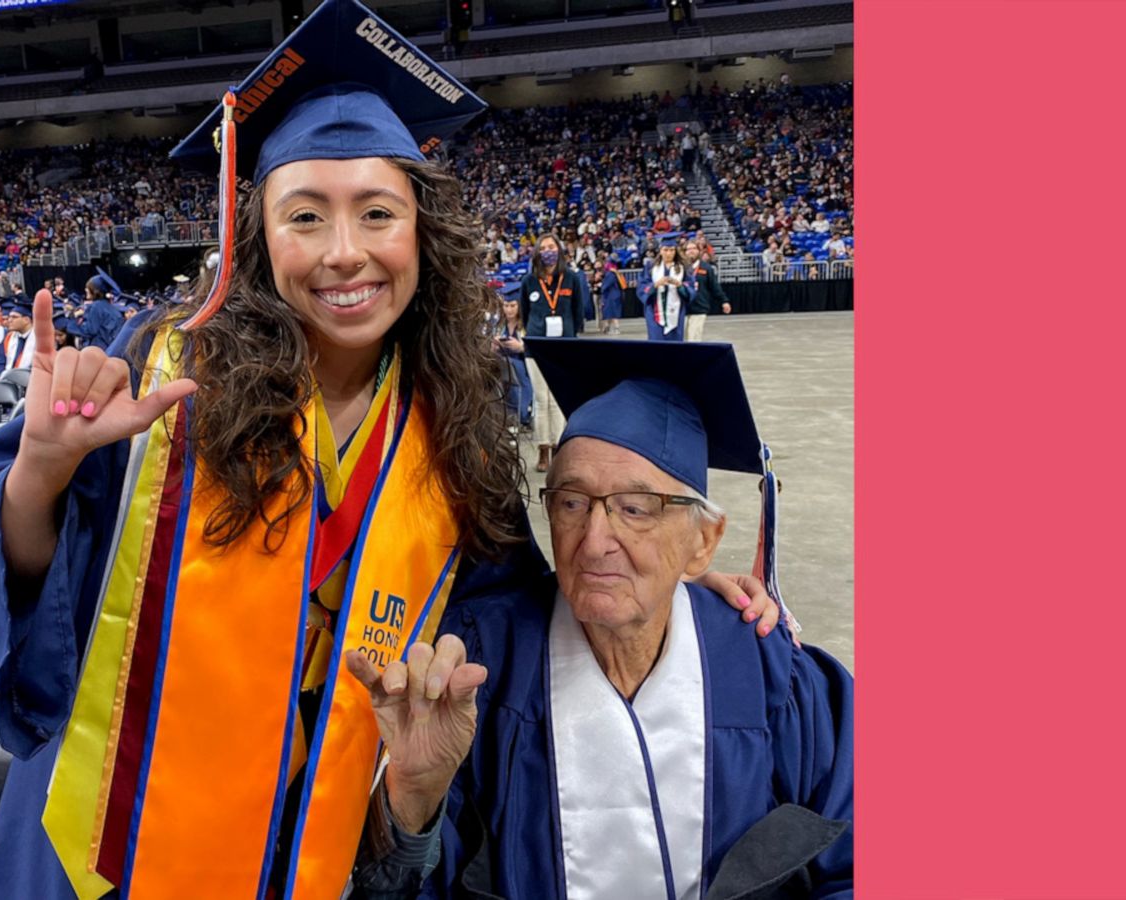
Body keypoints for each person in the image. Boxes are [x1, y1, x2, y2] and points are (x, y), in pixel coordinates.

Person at [0, 5, 777, 898]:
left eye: (377, 213)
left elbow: (514, 608)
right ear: (257, 238)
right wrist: (43, 466)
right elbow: (26, 586)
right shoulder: (158, 366)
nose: (345, 254)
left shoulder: (454, 419)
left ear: (421, 232)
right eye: (305, 216)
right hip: (103, 851)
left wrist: (654, 570)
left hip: (311, 848)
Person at [347, 339, 852, 899]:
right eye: (571, 502)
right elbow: (406, 889)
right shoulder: (479, 665)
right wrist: (412, 801)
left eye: (635, 509)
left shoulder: (767, 668)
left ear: (703, 542)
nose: (594, 541)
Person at [519, 233, 589, 472]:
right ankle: (543, 449)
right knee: (541, 399)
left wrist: (572, 338)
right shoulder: (529, 281)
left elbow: (578, 310)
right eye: (543, 247)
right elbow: (524, 312)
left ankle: (560, 447)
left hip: (564, 346)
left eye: (552, 247)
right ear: (537, 252)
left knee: (558, 399)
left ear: (559, 250)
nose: (548, 251)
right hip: (537, 346)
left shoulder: (570, 278)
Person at [492, 283, 532, 431]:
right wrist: (495, 346)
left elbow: (534, 347)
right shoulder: (498, 324)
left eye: (513, 305)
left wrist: (521, 347)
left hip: (523, 364)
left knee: (516, 367)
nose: (509, 310)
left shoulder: (527, 324)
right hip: (503, 364)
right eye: (506, 305)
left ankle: (522, 414)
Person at [684, 241, 733, 341]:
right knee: (681, 340)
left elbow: (714, 287)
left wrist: (724, 301)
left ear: (699, 251)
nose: (691, 251)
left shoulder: (706, 268)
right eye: (688, 249)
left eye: (693, 248)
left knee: (694, 339)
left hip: (699, 308)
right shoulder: (680, 268)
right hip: (682, 309)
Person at [638, 241, 685, 342]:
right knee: (656, 341)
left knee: (675, 343)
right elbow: (642, 286)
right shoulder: (651, 267)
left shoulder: (682, 267)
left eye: (672, 250)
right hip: (654, 311)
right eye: (665, 250)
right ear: (660, 251)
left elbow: (689, 286)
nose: (669, 253)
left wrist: (679, 285)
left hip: (676, 310)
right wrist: (655, 285)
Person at [0, 300, 36, 373]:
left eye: (14, 317)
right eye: (9, 317)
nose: (9, 320)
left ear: (26, 320)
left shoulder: (38, 338)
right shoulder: (9, 337)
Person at [598, 259, 629, 336]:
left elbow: (606, 285)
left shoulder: (610, 274)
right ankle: (608, 328)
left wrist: (601, 286)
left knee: (612, 313)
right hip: (615, 295)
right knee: (610, 313)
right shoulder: (616, 273)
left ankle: (616, 328)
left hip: (611, 296)